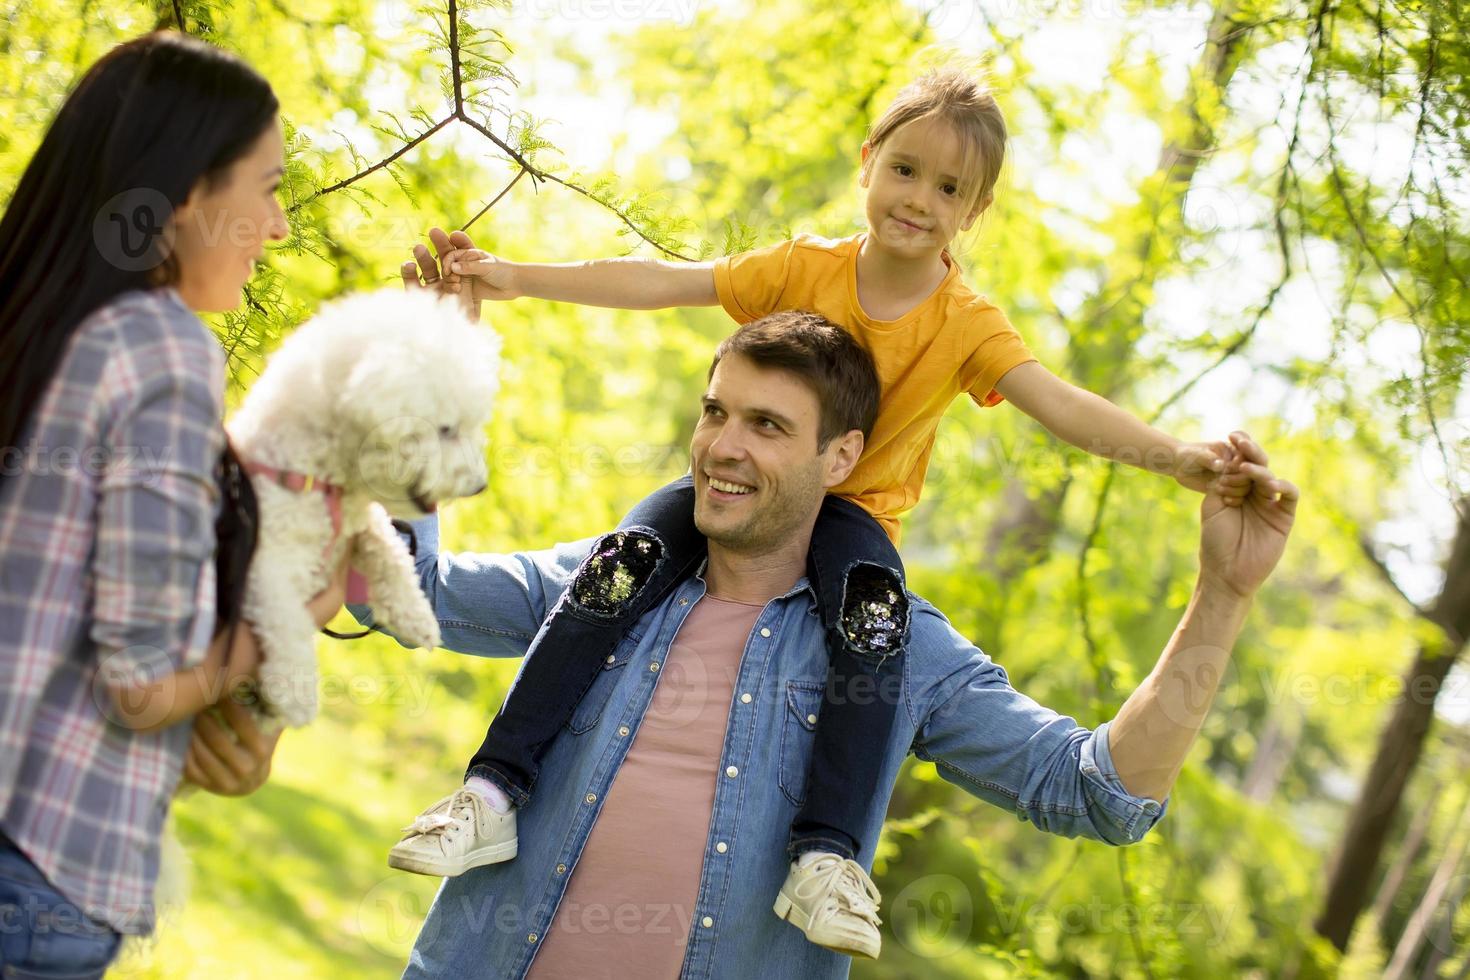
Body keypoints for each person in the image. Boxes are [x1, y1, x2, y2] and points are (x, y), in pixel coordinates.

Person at [390, 66, 1254, 956]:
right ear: (870, 162)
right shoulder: (807, 266)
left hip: (854, 524)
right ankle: (493, 789)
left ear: (975, 211)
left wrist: (1178, 459)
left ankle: (825, 856)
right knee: (620, 568)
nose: (919, 199)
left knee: (870, 630)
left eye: (950, 188)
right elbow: (661, 281)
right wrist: (512, 280)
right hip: (726, 510)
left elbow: (1060, 402)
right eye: (906, 170)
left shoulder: (966, 323)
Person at [355, 300, 1297, 977]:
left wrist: (1222, 593)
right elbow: (404, 589)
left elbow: (1098, 794)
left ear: (839, 457)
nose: (724, 446)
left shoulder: (893, 648)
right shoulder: (609, 582)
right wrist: (431, 387)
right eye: (715, 412)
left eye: (767, 426)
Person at [0, 32, 345, 976]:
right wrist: (287, 626)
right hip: (39, 874)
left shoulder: (39, 327)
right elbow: (144, 686)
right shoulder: (163, 350)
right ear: (187, 194)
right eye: (269, 187)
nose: (279, 227)